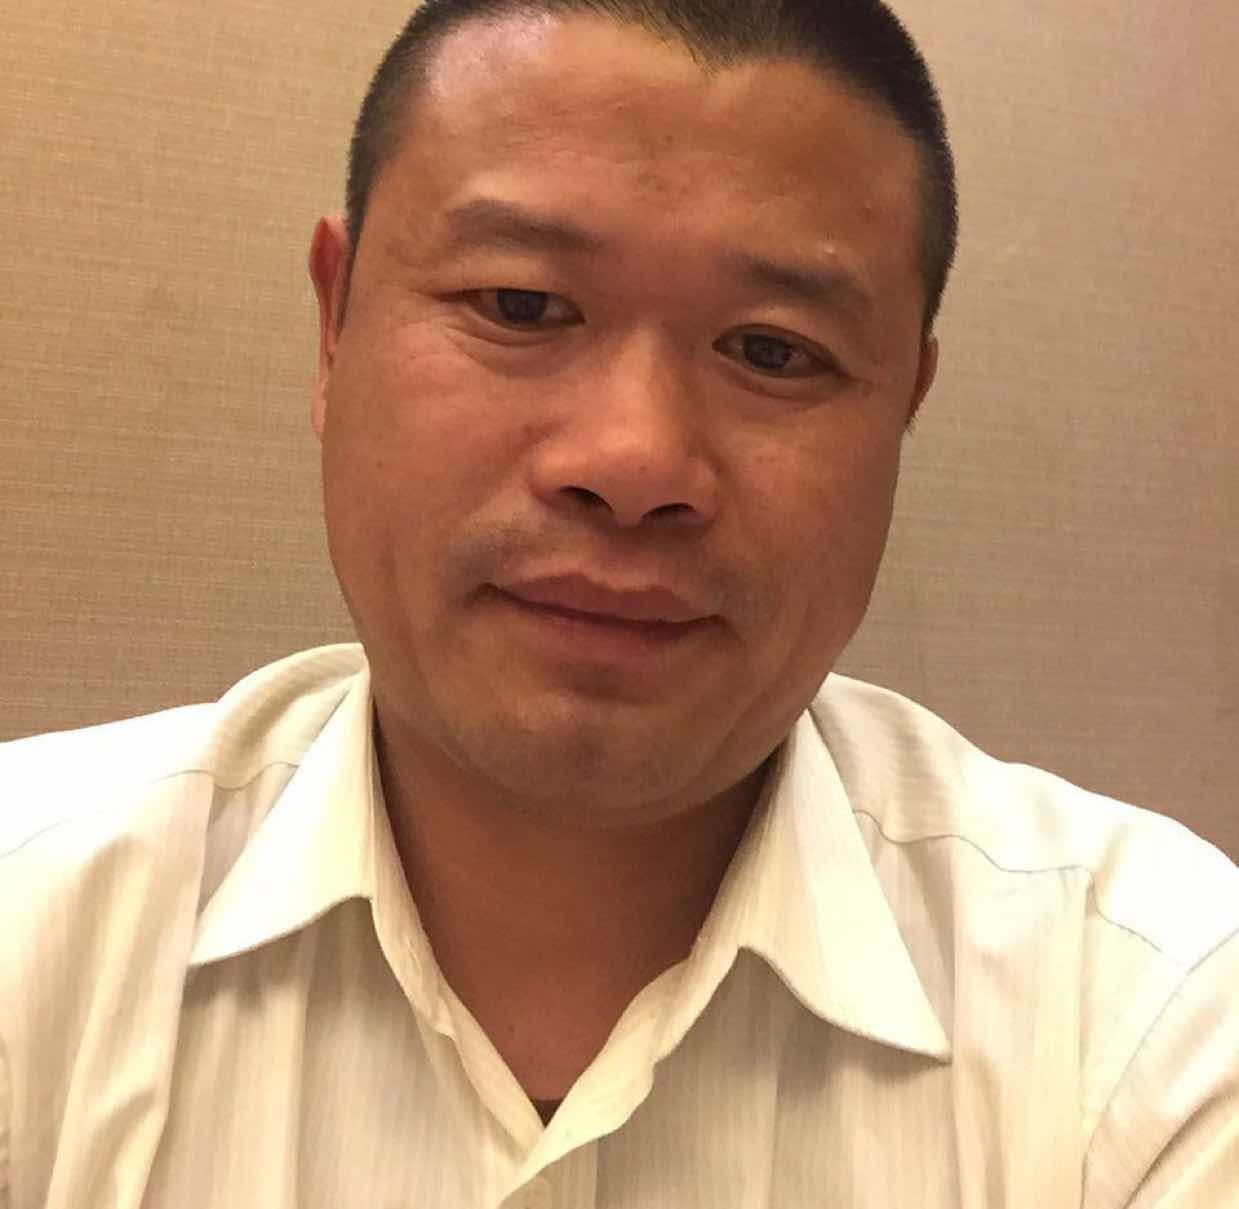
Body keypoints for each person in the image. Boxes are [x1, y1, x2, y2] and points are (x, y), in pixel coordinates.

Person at [2, 0, 1235, 1204]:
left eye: (772, 351)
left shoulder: (1157, 1023)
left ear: (904, 405)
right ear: (335, 326)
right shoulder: (32, 929)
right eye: (521, 306)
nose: (635, 460)